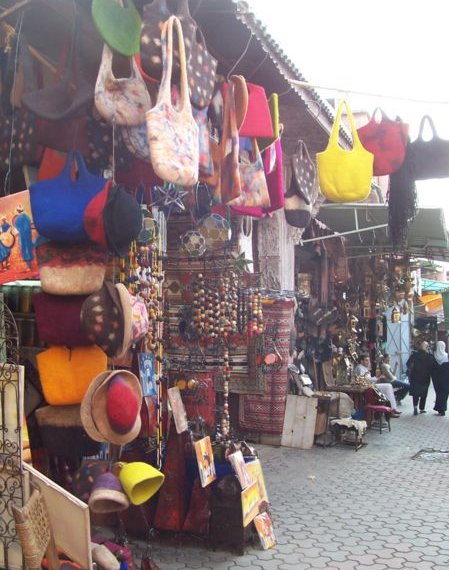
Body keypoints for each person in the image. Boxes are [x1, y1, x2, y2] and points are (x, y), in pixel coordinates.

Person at [406, 341, 435, 416]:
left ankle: (415, 407)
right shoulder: (429, 356)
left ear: (420, 347)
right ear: (427, 347)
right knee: (424, 393)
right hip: (425, 378)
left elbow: (408, 364)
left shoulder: (414, 355)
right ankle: (422, 408)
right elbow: (432, 367)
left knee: (415, 393)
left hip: (415, 377)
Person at [432, 341, 449, 416]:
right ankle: (442, 410)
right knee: (444, 394)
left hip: (436, 379)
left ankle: (439, 409)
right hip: (446, 378)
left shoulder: (434, 355)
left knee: (438, 393)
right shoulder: (447, 356)